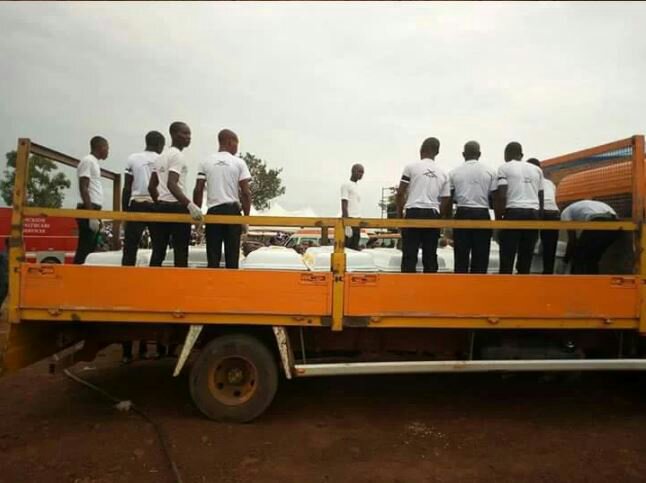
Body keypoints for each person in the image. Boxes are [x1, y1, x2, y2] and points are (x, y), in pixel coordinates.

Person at [193, 129, 252, 269]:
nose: (237, 149)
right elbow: (246, 193)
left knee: (213, 257)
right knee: (232, 257)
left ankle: (212, 287)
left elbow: (198, 189)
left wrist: (197, 213)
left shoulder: (205, 162)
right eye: (236, 145)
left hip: (214, 212)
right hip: (232, 212)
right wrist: (246, 218)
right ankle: (230, 288)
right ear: (230, 142)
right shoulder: (239, 162)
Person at [148, 122, 203, 267]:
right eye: (184, 133)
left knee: (158, 251)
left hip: (162, 207)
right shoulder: (177, 156)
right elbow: (172, 183)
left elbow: (152, 186)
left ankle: (151, 284)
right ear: (173, 134)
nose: (188, 137)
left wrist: (159, 201)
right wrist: (190, 205)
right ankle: (181, 286)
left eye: (189, 134)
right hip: (177, 207)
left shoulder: (160, 157)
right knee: (180, 252)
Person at [396, 137, 451, 273]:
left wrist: (399, 216)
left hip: (413, 211)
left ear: (421, 150)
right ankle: (430, 288)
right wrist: (439, 216)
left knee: (409, 253)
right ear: (437, 152)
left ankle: (407, 287)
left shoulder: (411, 167)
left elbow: (400, 193)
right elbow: (446, 198)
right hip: (432, 213)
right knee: (430, 254)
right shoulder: (443, 173)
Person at [494, 142, 544, 274]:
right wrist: (540, 217)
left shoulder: (504, 168)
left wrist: (499, 220)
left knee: (507, 253)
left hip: (513, 212)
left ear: (506, 155)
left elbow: (502, 195)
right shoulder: (537, 170)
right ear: (521, 154)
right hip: (533, 214)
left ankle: (505, 286)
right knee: (526, 254)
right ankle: (523, 284)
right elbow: (540, 196)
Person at [449, 141, 497, 273]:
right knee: (481, 257)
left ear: (463, 154)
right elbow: (495, 197)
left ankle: (460, 287)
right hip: (482, 214)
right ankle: (479, 288)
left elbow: (448, 198)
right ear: (479, 154)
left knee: (461, 257)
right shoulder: (490, 171)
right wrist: (498, 220)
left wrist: (447, 222)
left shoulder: (453, 173)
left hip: (462, 213)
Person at [121, 131, 165, 266]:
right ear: (159, 144)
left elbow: (127, 186)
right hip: (156, 202)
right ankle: (154, 273)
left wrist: (125, 211)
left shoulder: (133, 158)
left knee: (131, 244)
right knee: (159, 245)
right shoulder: (162, 159)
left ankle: (127, 274)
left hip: (137, 203)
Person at [73, 136, 109, 264]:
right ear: (100, 147)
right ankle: (77, 275)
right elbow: (84, 187)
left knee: (91, 248)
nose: (108, 151)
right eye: (106, 148)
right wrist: (91, 215)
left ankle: (84, 275)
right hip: (89, 208)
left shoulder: (94, 162)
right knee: (85, 247)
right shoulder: (88, 161)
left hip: (94, 209)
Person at [561, 200, 618, 274]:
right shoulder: (581, 206)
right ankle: (593, 281)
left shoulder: (565, 212)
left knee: (578, 254)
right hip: (615, 224)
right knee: (592, 257)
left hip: (598, 221)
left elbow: (572, 240)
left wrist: (565, 260)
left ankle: (576, 282)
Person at [527, 158, 560, 274]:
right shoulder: (550, 183)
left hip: (539, 210)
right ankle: (548, 273)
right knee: (550, 246)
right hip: (554, 212)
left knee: (528, 241)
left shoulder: (530, 180)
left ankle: (525, 271)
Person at [341, 164, 364, 250]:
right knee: (348, 246)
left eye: (362, 172)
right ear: (353, 171)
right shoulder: (346, 185)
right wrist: (347, 223)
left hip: (357, 219)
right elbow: (344, 203)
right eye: (359, 171)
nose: (361, 174)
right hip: (350, 218)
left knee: (355, 245)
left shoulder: (357, 186)